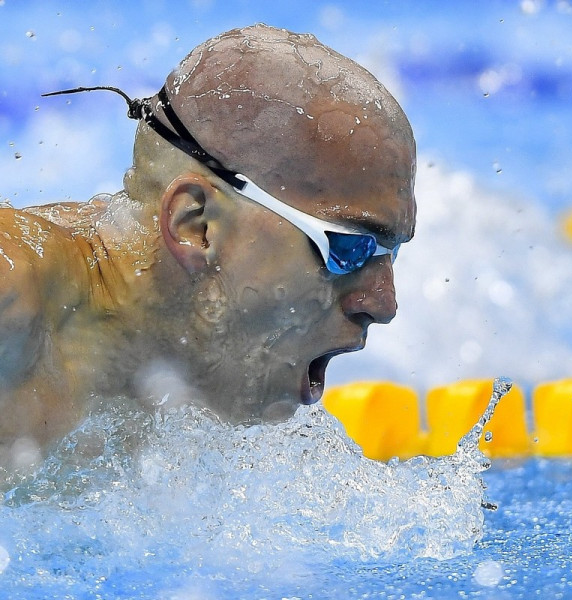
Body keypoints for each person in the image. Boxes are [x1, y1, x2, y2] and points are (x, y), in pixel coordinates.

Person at [0, 24, 417, 474]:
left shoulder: (186, 388)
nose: (384, 305)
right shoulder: (14, 301)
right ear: (196, 226)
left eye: (389, 255)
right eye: (349, 247)